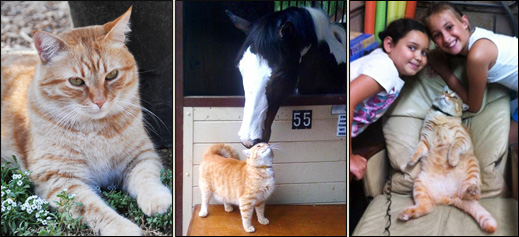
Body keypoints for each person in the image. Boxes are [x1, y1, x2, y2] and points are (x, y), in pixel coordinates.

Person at [423, 2, 518, 153]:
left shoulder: (477, 55)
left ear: (464, 22)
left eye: (449, 27)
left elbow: (474, 106)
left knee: (492, 148)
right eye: (437, 35)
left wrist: (443, 70)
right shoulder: (475, 38)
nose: (446, 38)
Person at [350, 18, 430, 180]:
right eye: (412, 47)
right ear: (389, 45)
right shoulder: (385, 68)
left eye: (424, 52)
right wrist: (349, 157)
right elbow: (348, 98)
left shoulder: (388, 66)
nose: (419, 57)